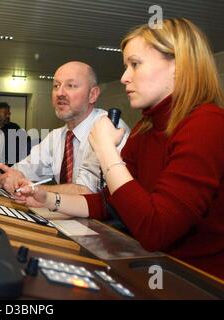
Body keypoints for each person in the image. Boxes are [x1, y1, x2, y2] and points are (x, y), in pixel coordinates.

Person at [14, 18, 224, 279]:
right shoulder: (145, 128)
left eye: (135, 64)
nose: (124, 78)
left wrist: (106, 151)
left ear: (179, 66)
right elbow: (111, 203)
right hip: (155, 268)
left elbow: (156, 228)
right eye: (126, 66)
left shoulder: (208, 124)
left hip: (200, 281)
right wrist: (50, 199)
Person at [0, 61, 130, 194]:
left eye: (71, 86)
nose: (60, 93)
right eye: (56, 85)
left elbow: (88, 191)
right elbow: (18, 172)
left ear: (93, 94)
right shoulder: (57, 137)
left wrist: (32, 189)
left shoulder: (110, 128)